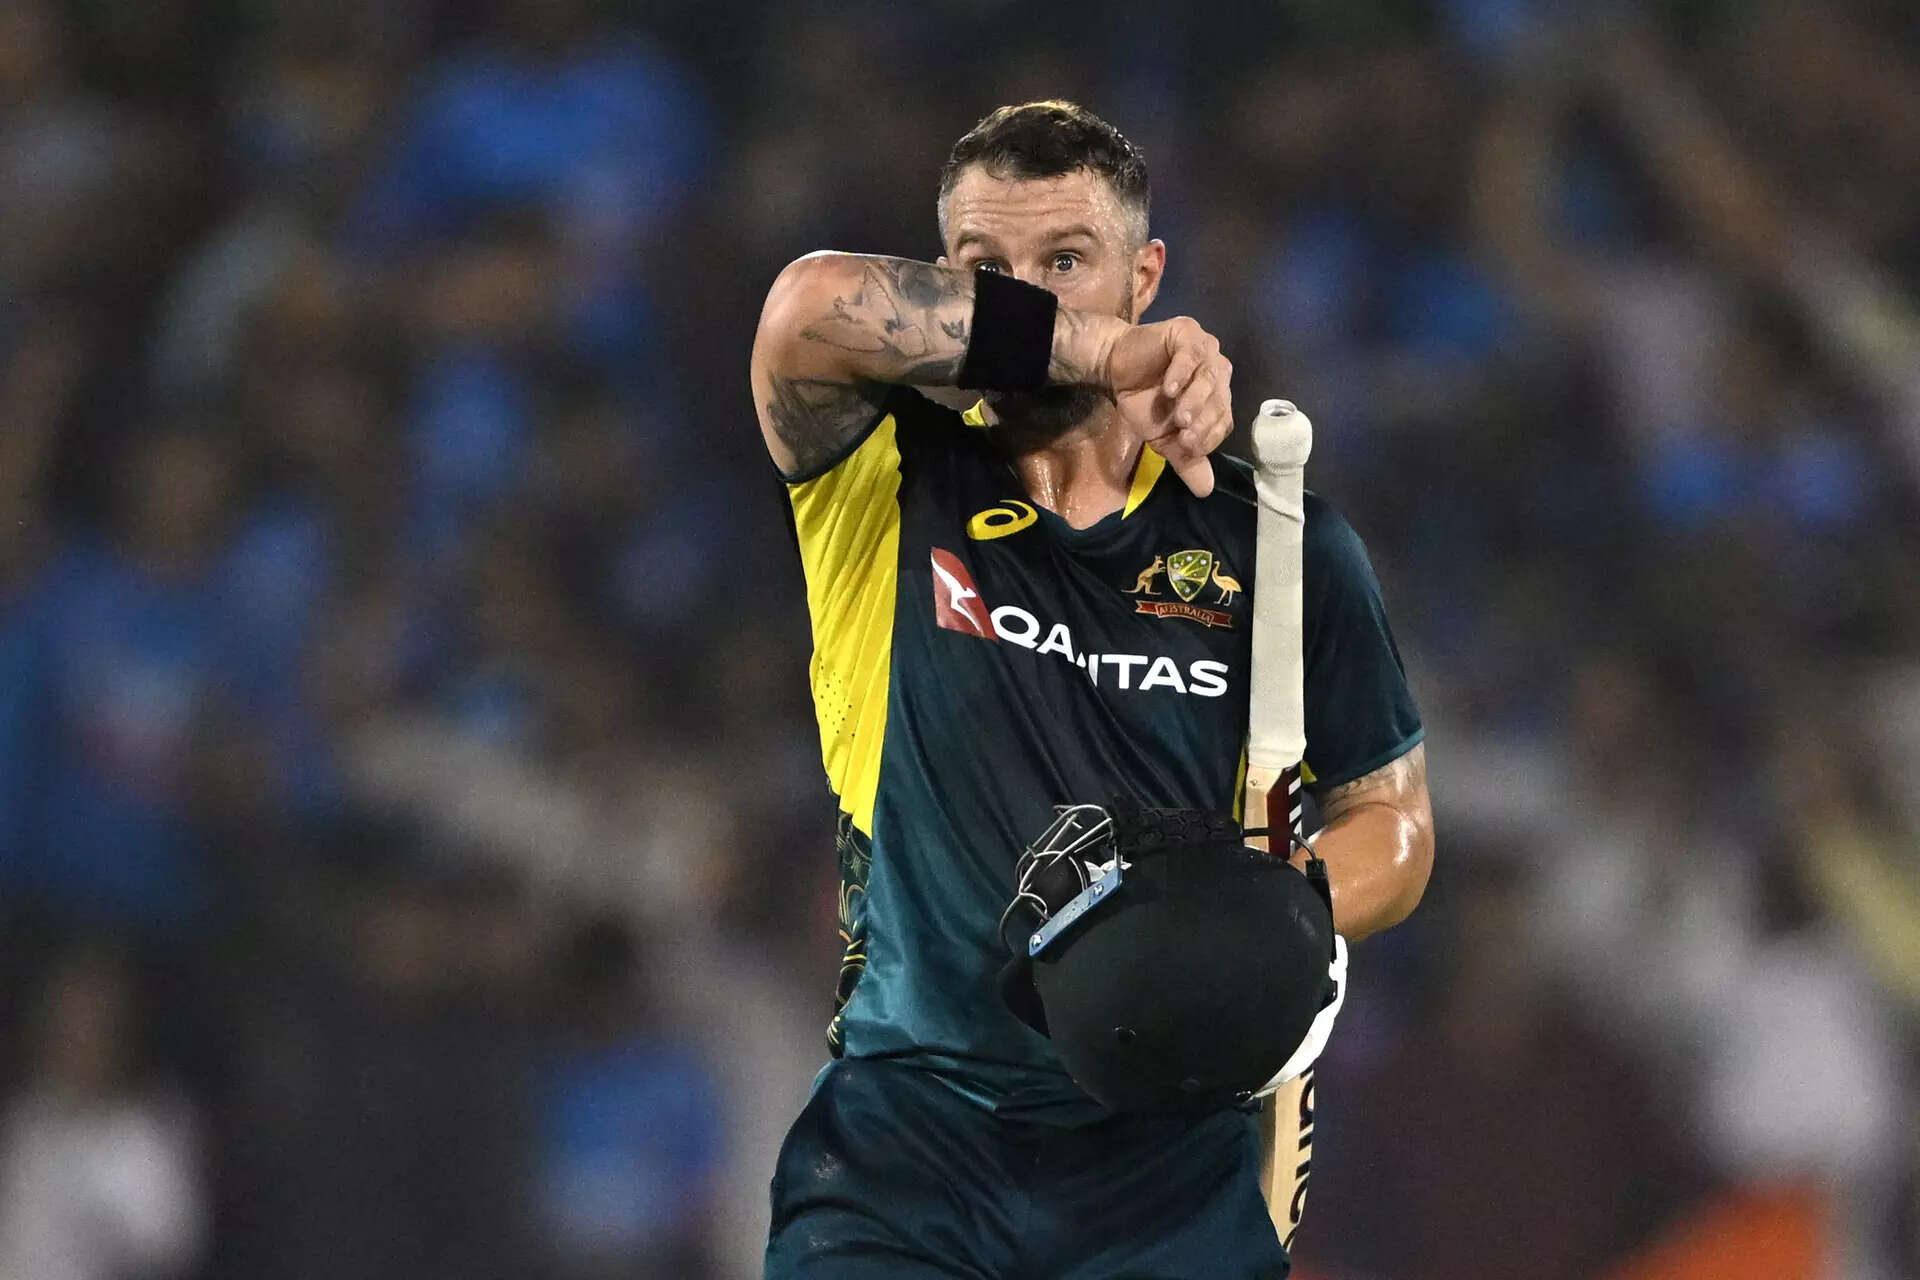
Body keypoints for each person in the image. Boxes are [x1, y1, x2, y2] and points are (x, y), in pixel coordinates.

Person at [751, 100, 1433, 1278]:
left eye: (1066, 261)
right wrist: (1109, 352)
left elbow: (1397, 822)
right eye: (987, 267)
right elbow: (809, 306)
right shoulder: (883, 467)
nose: (1027, 293)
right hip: (905, 1150)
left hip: (1168, 1166)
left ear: (1145, 273)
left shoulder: (1278, 540)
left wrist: (1260, 913)